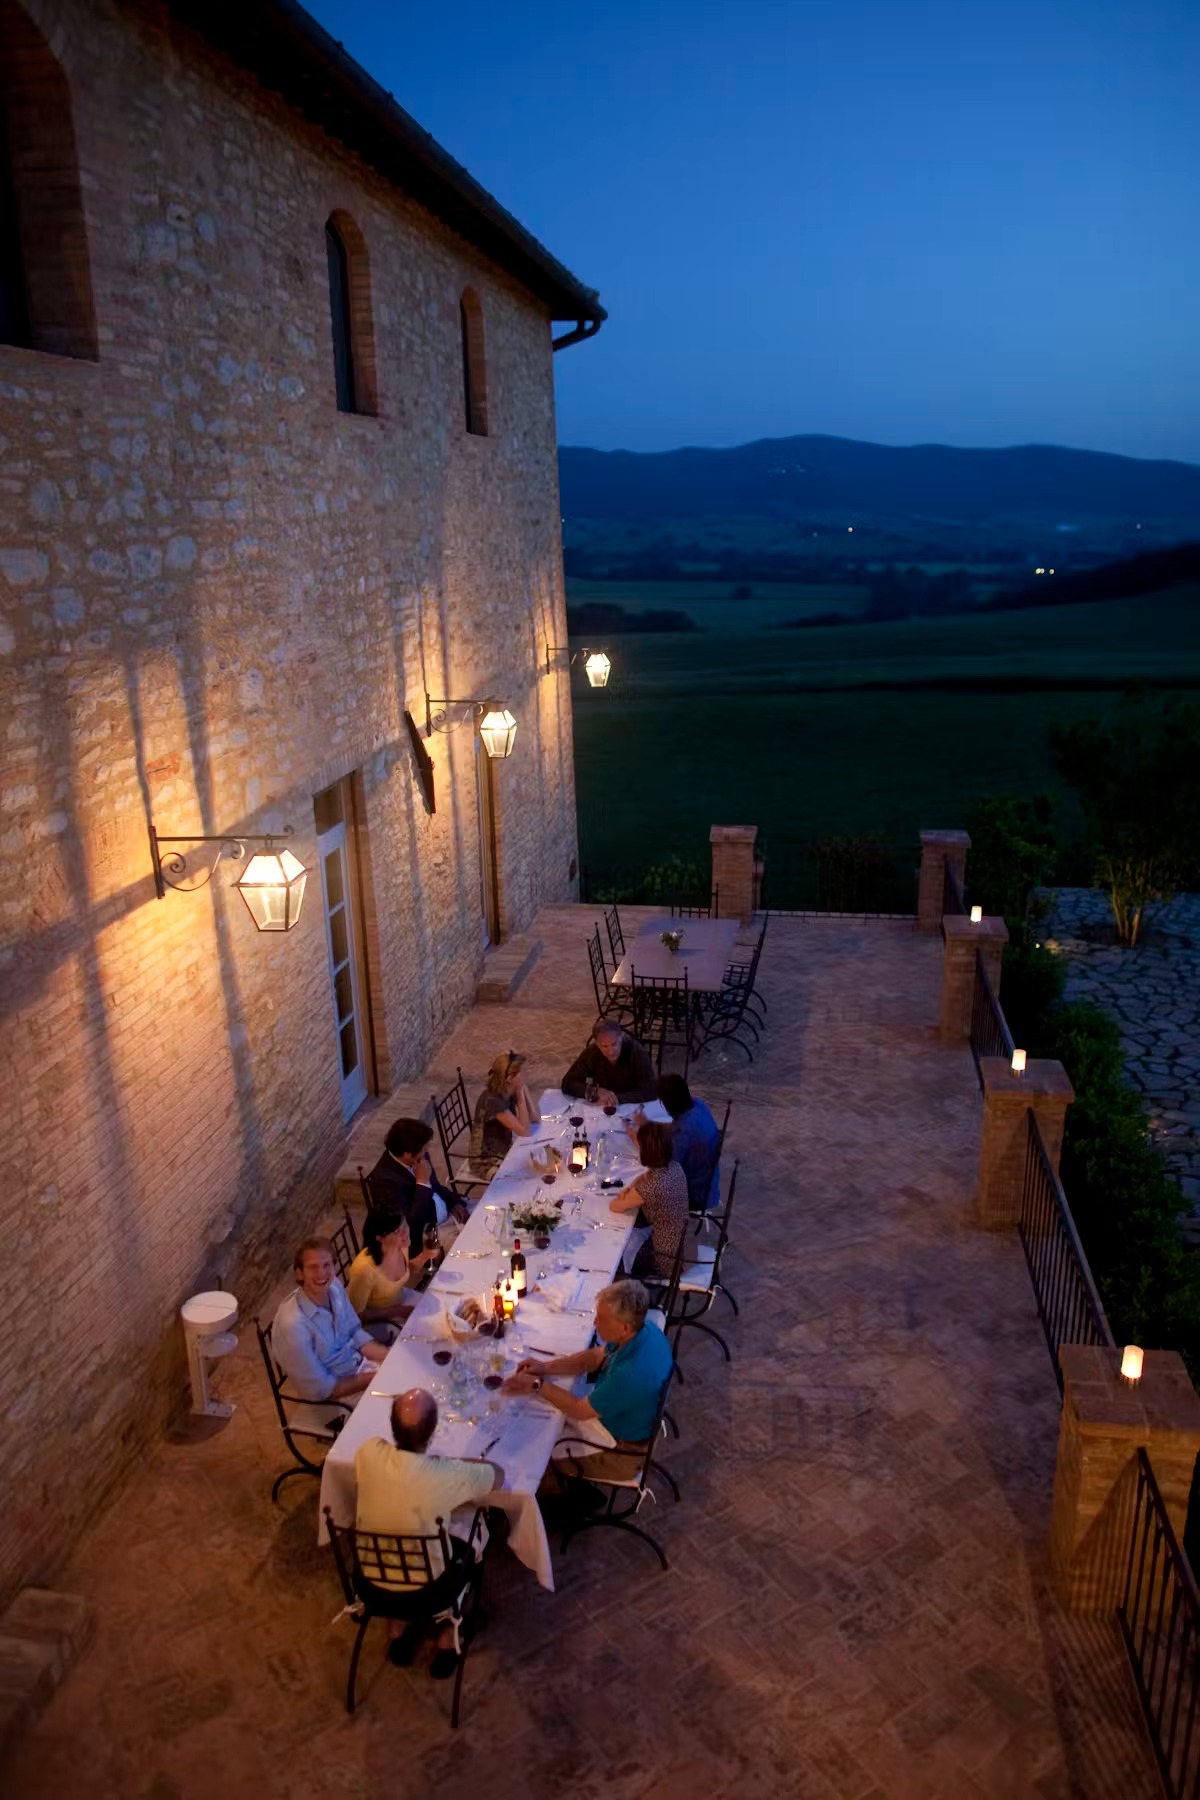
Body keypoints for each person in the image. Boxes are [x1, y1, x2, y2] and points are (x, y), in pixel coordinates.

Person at [356, 1389, 503, 1676]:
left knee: (399, 1521)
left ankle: (398, 1626)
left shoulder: (368, 1453)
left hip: (369, 1582)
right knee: (479, 1519)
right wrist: (459, 1465)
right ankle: (449, 1634)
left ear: (393, 1426)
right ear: (433, 1431)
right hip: (431, 1591)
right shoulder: (443, 1474)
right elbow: (497, 1476)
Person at [502, 1279, 672, 1484]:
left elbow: (580, 1410)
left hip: (622, 1451)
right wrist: (545, 1368)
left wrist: (536, 1385)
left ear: (624, 1328)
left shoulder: (629, 1374)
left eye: (601, 1319)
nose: (595, 1323)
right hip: (624, 1419)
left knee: (535, 1458)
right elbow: (595, 1357)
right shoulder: (645, 1330)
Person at [272, 1237, 387, 1404]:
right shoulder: (293, 1327)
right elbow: (322, 1389)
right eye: (313, 1267)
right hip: (338, 1394)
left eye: (327, 1265)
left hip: (361, 1367)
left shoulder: (335, 1288)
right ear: (299, 1273)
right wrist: (375, 1377)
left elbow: (354, 1333)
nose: (321, 1274)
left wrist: (388, 1356)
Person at [365, 1117, 468, 1248]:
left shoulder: (419, 1157)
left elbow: (436, 1187)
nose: (426, 1152)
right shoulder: (385, 1181)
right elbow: (410, 1224)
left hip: (448, 1215)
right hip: (428, 1235)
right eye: (424, 1149)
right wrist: (422, 1184)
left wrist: (454, 1202)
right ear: (407, 1154)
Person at [607, 1119, 688, 1281]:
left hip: (666, 1260)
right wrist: (632, 1186)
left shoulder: (650, 1187)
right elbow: (645, 1175)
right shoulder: (674, 1166)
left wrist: (626, 1191)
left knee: (613, 1254)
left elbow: (615, 1207)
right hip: (685, 1246)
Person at [345, 1207, 435, 1341]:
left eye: (405, 1224)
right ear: (379, 1238)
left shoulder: (401, 1244)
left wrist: (425, 1256)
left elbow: (407, 1269)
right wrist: (397, 1312)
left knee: (437, 1317)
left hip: (400, 1301)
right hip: (375, 1321)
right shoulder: (364, 1269)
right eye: (397, 1230)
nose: (405, 1232)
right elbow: (356, 1315)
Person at [648, 1073, 721, 1213]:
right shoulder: (696, 1103)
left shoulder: (685, 1130)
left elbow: (665, 1168)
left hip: (695, 1192)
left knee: (641, 1189)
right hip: (706, 1178)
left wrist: (637, 1140)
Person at [561, 1020, 656, 1107]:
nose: (610, 1051)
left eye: (614, 1044)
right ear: (597, 1044)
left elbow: (650, 1091)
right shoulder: (592, 1052)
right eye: (604, 1046)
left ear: (621, 1037)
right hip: (601, 1107)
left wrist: (615, 1098)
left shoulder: (636, 1052)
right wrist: (595, 1091)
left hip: (630, 1107)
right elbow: (568, 1083)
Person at [472, 1051, 540, 1168]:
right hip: (488, 1160)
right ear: (509, 1078)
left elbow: (534, 1118)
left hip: (505, 1148)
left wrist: (522, 1090)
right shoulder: (493, 1102)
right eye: (523, 1072)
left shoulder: (508, 1090)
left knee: (540, 1157)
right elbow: (524, 1133)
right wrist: (520, 1097)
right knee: (529, 1172)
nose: (527, 1074)